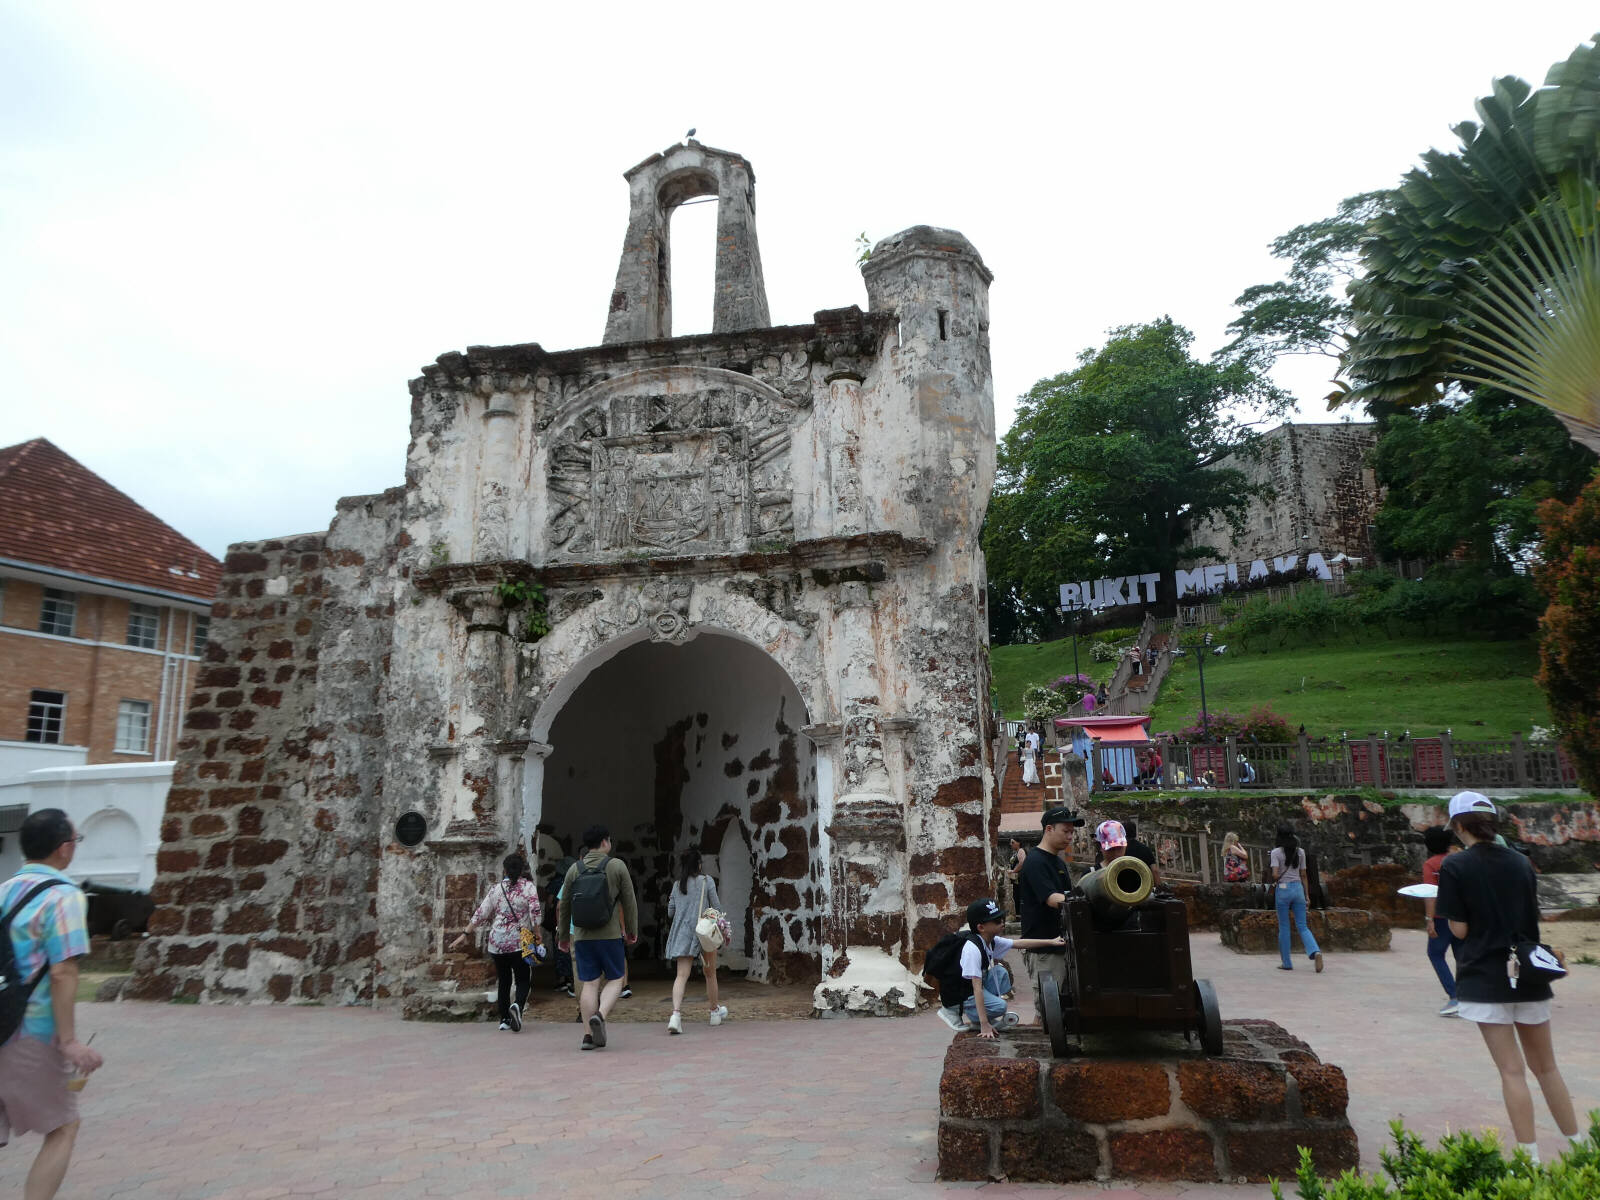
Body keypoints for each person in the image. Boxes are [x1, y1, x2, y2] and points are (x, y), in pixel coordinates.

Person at [1436, 791, 1581, 1164]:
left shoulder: (1455, 867)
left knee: (1512, 1072)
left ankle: (1529, 1160)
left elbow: (1461, 930)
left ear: (1457, 825)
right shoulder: (1520, 863)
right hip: (1531, 974)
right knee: (1547, 1067)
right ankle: (1582, 1148)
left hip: (1486, 978)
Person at [0, 809, 105, 1200]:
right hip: (29, 1031)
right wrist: (69, 1041)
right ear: (64, 849)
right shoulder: (64, 897)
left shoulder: (3, 890)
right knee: (63, 1127)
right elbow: (63, 972)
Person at [557, 825, 638, 1051]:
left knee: (589, 983)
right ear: (605, 842)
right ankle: (600, 1015)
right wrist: (631, 930)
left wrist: (563, 936)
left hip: (582, 936)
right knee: (616, 979)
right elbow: (629, 902)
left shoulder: (574, 869)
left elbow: (564, 906)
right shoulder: (616, 866)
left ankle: (587, 1036)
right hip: (609, 934)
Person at [449, 852, 541, 1032]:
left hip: (497, 940)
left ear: (504, 870)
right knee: (523, 978)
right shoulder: (529, 887)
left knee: (504, 979)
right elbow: (535, 913)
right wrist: (538, 936)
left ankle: (505, 1019)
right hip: (521, 939)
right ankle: (518, 1007)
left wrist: (464, 934)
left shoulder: (496, 889)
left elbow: (481, 913)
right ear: (522, 869)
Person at [956, 898, 1065, 1038]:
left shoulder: (990, 940)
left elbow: (1018, 943)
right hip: (966, 995)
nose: (1002, 923)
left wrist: (1051, 942)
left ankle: (985, 1015)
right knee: (1000, 1006)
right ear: (981, 927)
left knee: (1001, 973)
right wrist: (984, 1025)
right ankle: (979, 1019)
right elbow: (976, 988)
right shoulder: (972, 949)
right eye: (996, 921)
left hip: (976, 989)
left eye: (1001, 918)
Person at [1013, 806, 1081, 1015]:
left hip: (1061, 943)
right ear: (1049, 829)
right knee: (1047, 1009)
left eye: (1072, 832)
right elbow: (1052, 899)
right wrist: (1083, 900)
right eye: (1065, 831)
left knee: (1063, 1006)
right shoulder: (1035, 862)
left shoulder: (1057, 861)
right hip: (1044, 946)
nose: (1070, 837)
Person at [663, 849, 728, 1033]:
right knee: (710, 974)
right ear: (699, 864)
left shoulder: (677, 885)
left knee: (681, 976)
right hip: (703, 932)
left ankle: (675, 1015)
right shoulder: (706, 882)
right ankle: (715, 1012)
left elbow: (670, 912)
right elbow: (717, 907)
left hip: (683, 934)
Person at [1270, 826, 1323, 972]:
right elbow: (1304, 874)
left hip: (1283, 890)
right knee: (1302, 926)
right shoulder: (1301, 852)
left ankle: (1286, 962)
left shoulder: (1276, 853)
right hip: (1298, 889)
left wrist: (1278, 873)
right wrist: (1307, 895)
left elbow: (1275, 875)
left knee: (1284, 927)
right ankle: (1315, 951)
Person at [1421, 826, 1461, 1017]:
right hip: (1462, 915)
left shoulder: (1431, 865)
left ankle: (1455, 996)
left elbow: (1430, 894)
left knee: (1435, 954)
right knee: (1462, 955)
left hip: (1441, 916)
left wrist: (1430, 920)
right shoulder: (1458, 860)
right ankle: (1469, 995)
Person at [1122, 819, 1160, 887]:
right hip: (1143, 888)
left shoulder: (1119, 850)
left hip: (1122, 887)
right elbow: (1154, 870)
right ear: (1135, 832)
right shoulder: (1145, 849)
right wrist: (1159, 887)